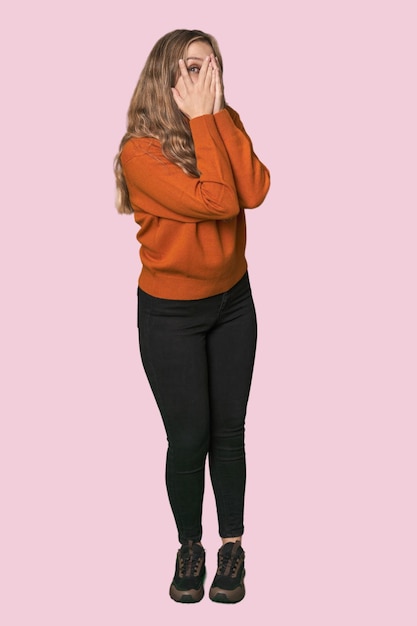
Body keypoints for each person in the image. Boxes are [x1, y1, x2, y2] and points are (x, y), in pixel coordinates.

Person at [114, 29, 270, 604]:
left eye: (210, 67)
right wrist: (207, 123)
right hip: (171, 315)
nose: (202, 78)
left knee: (229, 433)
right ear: (166, 76)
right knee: (189, 438)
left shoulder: (220, 122)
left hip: (233, 302)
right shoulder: (141, 151)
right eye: (190, 68)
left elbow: (252, 191)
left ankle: (233, 547)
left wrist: (219, 115)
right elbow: (217, 201)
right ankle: (190, 546)